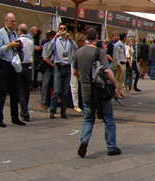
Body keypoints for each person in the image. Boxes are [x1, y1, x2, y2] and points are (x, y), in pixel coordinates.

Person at [72, 27, 120, 157]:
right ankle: (111, 147)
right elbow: (108, 70)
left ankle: (84, 140)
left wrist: (82, 80)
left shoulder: (79, 52)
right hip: (100, 89)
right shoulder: (100, 52)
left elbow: (75, 72)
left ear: (86, 38)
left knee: (88, 118)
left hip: (86, 90)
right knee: (108, 118)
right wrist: (115, 86)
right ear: (97, 38)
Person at [0, 12, 25, 127]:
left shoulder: (14, 34)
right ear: (6, 21)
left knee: (15, 92)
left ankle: (15, 116)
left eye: (14, 21)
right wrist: (10, 45)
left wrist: (18, 46)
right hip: (3, 64)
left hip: (13, 65)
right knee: (2, 92)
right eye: (12, 21)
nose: (13, 23)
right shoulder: (0, 33)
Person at [49, 26, 76, 119]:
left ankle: (63, 112)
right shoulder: (56, 40)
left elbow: (76, 48)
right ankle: (52, 111)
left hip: (67, 67)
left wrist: (70, 39)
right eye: (61, 29)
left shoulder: (69, 41)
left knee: (65, 92)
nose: (63, 31)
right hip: (58, 67)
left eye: (64, 29)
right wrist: (55, 37)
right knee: (56, 91)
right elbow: (49, 48)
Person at [17, 24, 35, 122]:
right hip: (28, 66)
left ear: (20, 31)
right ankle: (24, 110)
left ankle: (24, 112)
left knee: (21, 90)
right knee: (26, 89)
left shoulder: (18, 41)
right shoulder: (30, 42)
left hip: (20, 65)